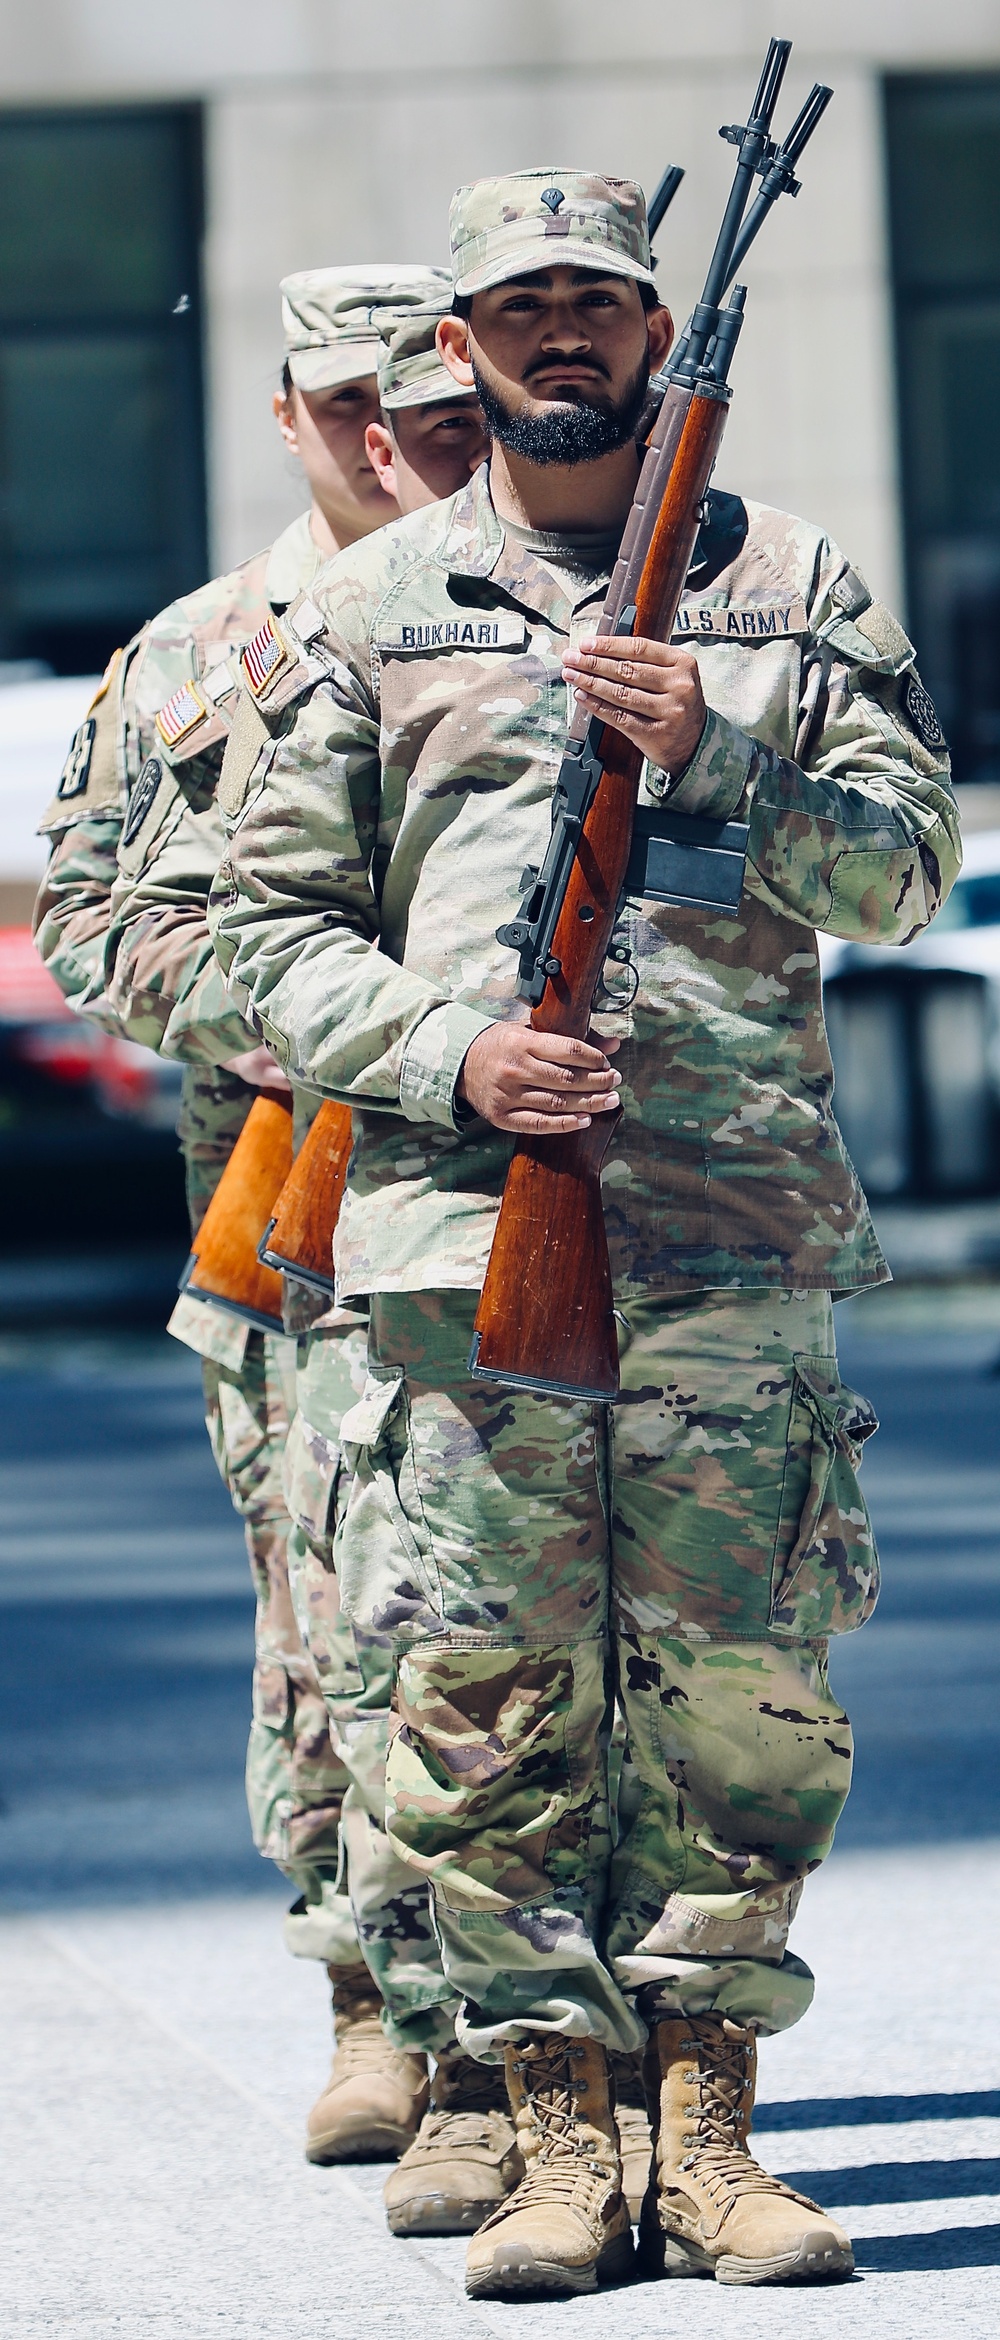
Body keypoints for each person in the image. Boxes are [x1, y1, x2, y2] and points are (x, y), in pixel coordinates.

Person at [208, 167, 959, 2301]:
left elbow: (902, 873)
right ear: (451, 355)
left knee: (739, 1701)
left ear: (652, 340)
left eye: (595, 305)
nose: (559, 336)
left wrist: (714, 750)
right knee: (477, 1705)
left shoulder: (792, 579)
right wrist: (447, 1055)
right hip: (464, 1249)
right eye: (513, 308)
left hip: (728, 1250)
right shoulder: (370, 614)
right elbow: (230, 934)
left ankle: (707, 2139)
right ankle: (551, 2140)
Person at [33, 263, 445, 2173]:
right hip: (292, 1201)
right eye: (351, 404)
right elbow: (97, 928)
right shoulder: (194, 663)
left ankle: (559, 2031)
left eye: (424, 403)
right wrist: (328, 1003)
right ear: (291, 417)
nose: (393, 441)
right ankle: (368, 1996)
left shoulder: (554, 625)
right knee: (319, 1613)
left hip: (536, 1187)